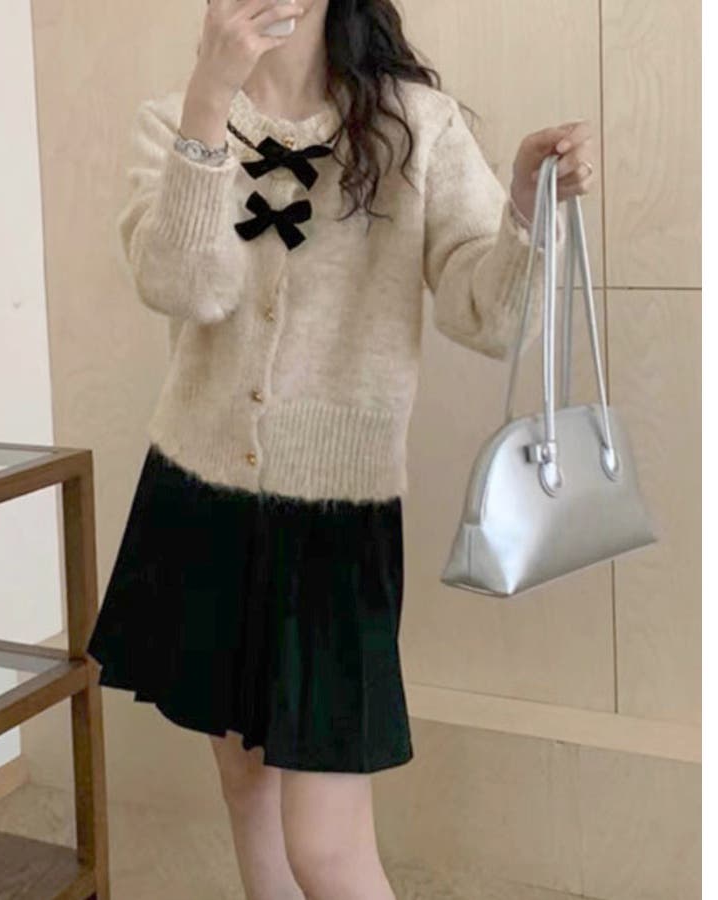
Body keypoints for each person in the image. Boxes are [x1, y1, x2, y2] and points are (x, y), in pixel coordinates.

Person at [86, 1, 596, 898]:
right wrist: (210, 96)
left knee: (326, 845)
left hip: (337, 522)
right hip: (199, 497)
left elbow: (490, 317)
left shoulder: (415, 127)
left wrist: (523, 207)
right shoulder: (172, 119)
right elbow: (188, 287)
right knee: (246, 788)